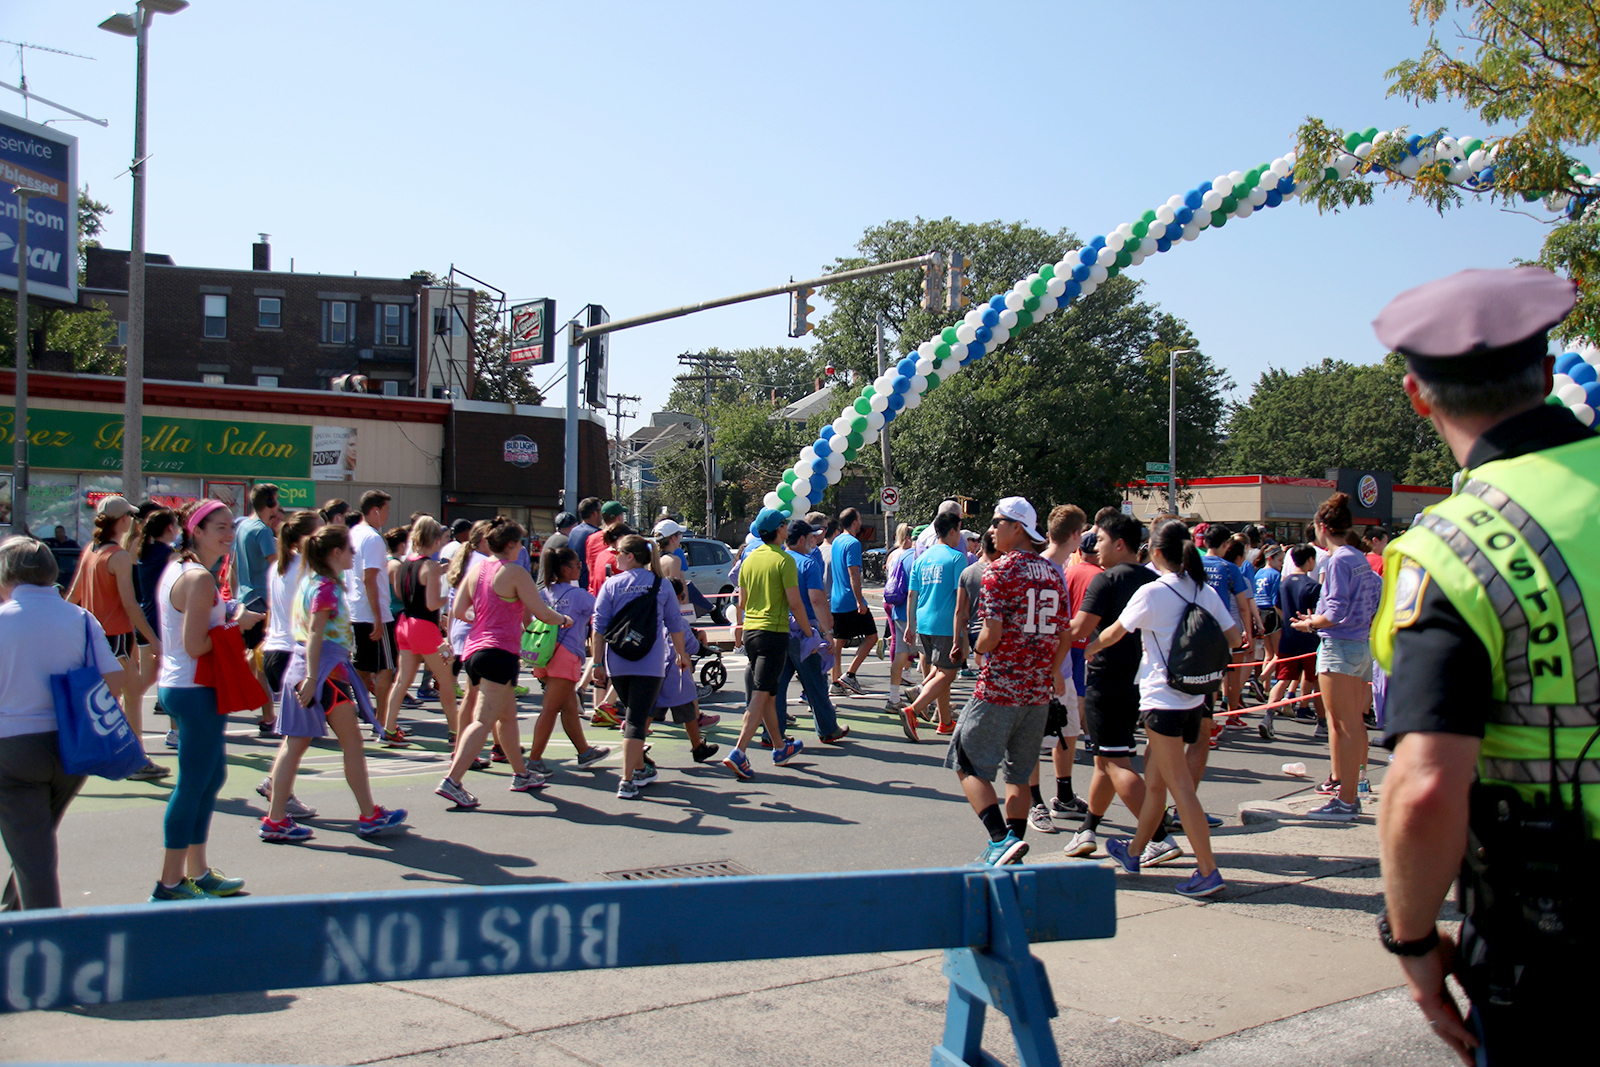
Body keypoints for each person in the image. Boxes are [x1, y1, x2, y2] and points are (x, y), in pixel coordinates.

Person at [1361, 267, 1600, 1064]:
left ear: (1417, 395)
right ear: (1543, 375)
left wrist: (1414, 940)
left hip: (1560, 939)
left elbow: (1427, 782)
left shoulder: (1451, 547)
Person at [1090, 518, 1240, 897]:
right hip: (1194, 697)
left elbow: (1114, 632)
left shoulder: (1153, 592)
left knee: (1180, 788)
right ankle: (1136, 851)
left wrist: (1089, 648)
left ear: (1155, 552)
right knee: (1155, 783)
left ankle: (1208, 870)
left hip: (1162, 700)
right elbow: (1235, 637)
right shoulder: (1202, 589)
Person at [0, 537, 127, 909]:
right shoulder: (81, 618)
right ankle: (12, 912)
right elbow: (115, 681)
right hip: (73, 747)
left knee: (33, 853)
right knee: (34, 846)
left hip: (13, 749)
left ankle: (45, 941)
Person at [262, 522, 408, 842]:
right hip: (324, 674)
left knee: (296, 745)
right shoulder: (326, 587)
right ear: (336, 552)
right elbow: (315, 633)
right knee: (351, 743)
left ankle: (275, 820)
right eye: (350, 550)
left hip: (308, 671)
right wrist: (314, 678)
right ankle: (369, 815)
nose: (354, 554)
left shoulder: (312, 582)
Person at [947, 496, 1069, 866]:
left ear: (1017, 527)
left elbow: (992, 633)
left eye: (998, 522)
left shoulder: (998, 572)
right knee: (1020, 775)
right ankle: (1014, 843)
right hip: (1037, 691)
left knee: (966, 763)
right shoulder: (1052, 573)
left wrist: (977, 646)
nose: (992, 529)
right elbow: (1064, 634)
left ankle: (1000, 839)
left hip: (1000, 685)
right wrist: (1052, 670)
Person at [151, 499, 262, 901]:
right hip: (194, 689)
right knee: (194, 783)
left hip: (189, 687)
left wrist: (229, 610)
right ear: (195, 530)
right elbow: (196, 645)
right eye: (219, 527)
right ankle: (169, 882)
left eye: (231, 526)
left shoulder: (188, 571)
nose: (229, 534)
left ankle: (196, 872)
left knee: (211, 778)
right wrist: (236, 622)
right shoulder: (198, 578)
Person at [1062, 513, 1181, 864]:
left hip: (1107, 680)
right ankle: (1088, 828)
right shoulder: (1154, 580)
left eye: (1099, 540)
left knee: (1116, 763)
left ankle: (1158, 836)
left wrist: (1045, 634)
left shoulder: (1106, 581)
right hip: (1141, 680)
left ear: (1119, 543)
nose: (1093, 546)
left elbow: (1080, 629)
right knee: (1105, 760)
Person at [436, 519, 572, 808]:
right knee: (483, 720)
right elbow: (542, 613)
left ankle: (521, 774)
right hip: (498, 653)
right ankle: (453, 781)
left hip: (475, 652)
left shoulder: (477, 569)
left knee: (507, 718)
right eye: (520, 543)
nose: (522, 548)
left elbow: (458, 610)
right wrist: (564, 620)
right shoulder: (514, 572)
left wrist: (484, 622)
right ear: (510, 545)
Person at [1290, 492, 1382, 821]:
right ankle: (1351, 791)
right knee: (1353, 723)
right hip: (1360, 645)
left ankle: (1345, 800)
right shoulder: (1358, 556)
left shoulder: (1338, 559)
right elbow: (1376, 594)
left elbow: (1335, 610)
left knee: (1340, 725)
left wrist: (1310, 623)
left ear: (1321, 526)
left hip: (1339, 645)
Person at [66, 495, 166, 782]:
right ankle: (135, 761)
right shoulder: (119, 557)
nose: (133, 522)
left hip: (95, 637)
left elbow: (74, 597)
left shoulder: (91, 551)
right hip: (115, 639)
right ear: (122, 520)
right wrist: (153, 640)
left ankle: (130, 756)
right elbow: (130, 604)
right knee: (128, 695)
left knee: (118, 697)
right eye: (130, 517)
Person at [591, 534, 689, 799]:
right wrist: (682, 654)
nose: (616, 557)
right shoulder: (661, 585)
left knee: (631, 716)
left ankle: (639, 767)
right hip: (651, 660)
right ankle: (627, 779)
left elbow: (599, 626)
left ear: (630, 556)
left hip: (618, 660)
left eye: (619, 553)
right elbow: (675, 624)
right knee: (636, 719)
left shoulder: (612, 585)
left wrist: (596, 661)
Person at [724, 508, 814, 779]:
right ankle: (739, 752)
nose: (788, 526)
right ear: (779, 530)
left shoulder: (749, 560)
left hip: (751, 630)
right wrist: (810, 632)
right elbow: (795, 602)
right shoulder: (784, 560)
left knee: (770, 694)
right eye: (785, 523)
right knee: (761, 694)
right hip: (773, 633)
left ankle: (780, 747)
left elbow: (740, 602)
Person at [253, 511, 319, 820]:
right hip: (293, 653)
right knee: (298, 736)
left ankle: (276, 786)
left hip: (276, 651)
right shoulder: (304, 571)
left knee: (298, 735)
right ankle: (279, 797)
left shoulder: (280, 568)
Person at [527, 546, 611, 773]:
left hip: (543, 654)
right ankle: (533, 760)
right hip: (566, 656)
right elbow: (603, 614)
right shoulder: (580, 596)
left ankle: (584, 752)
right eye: (577, 565)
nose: (580, 568)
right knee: (551, 709)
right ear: (566, 569)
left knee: (569, 707)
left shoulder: (544, 592)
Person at [1034, 505, 1092, 829]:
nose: (1083, 537)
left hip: (1064, 668)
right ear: (1074, 534)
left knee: (1068, 733)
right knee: (1034, 739)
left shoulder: (1064, 567)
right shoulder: (1043, 569)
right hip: (1047, 671)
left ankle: (1064, 796)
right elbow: (1046, 629)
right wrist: (1053, 669)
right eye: (1082, 531)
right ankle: (1034, 803)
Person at [387, 517, 459, 746]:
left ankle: (388, 727)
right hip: (425, 626)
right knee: (445, 680)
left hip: (404, 623)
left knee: (402, 680)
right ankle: (455, 731)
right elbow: (432, 604)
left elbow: (400, 593)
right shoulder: (430, 567)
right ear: (435, 539)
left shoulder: (405, 562)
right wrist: (449, 599)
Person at [775, 518, 847, 744]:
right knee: (816, 682)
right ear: (803, 538)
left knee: (777, 685)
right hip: (804, 631)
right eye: (813, 536)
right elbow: (816, 599)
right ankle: (828, 728)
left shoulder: (778, 560)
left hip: (779, 629)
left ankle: (773, 731)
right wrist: (828, 632)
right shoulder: (807, 564)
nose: (816, 540)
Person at [902, 510, 966, 740]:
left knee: (939, 672)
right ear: (952, 531)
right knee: (947, 673)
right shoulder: (956, 558)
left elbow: (912, 594)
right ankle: (914, 710)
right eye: (959, 530)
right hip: (945, 623)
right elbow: (961, 597)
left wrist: (910, 625)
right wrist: (962, 629)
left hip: (924, 622)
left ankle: (945, 721)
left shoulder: (921, 559)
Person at [230, 483, 284, 737]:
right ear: (271, 503)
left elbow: (232, 565)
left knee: (254, 656)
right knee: (263, 660)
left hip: (246, 598)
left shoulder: (242, 526)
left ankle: (255, 702)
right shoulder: (262, 531)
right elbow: (278, 567)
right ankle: (268, 714)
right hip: (262, 600)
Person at [345, 491, 398, 745]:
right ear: (375, 511)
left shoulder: (353, 533)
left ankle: (366, 712)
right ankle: (384, 721)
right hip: (372, 611)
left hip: (354, 610)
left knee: (363, 668)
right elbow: (370, 578)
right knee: (386, 668)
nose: (388, 515)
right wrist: (379, 617)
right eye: (386, 510)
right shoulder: (373, 538)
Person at [1265, 543, 1324, 739]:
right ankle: (1321, 723)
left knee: (1283, 679)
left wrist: (1287, 620)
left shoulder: (1284, 583)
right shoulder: (1313, 586)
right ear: (1309, 560)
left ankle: (1268, 716)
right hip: (1310, 640)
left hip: (1288, 638)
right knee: (1316, 683)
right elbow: (1318, 613)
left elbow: (1277, 606)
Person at [134, 508, 180, 750]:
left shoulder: (144, 551)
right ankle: (175, 731)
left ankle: (119, 713)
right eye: (175, 525)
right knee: (168, 676)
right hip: (160, 622)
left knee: (148, 677)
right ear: (169, 528)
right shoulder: (169, 555)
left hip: (145, 620)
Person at [828, 507, 877, 694]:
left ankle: (835, 683)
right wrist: (859, 601)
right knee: (871, 637)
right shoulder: (853, 543)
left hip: (837, 599)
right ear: (855, 522)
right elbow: (853, 573)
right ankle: (850, 674)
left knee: (838, 642)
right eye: (859, 519)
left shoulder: (837, 541)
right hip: (850, 600)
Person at [882, 523, 920, 713]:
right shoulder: (920, 558)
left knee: (900, 654)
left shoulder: (899, 555)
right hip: (915, 613)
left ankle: (893, 698)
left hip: (897, 608)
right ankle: (925, 700)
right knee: (926, 657)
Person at [584, 500, 628, 588]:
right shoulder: (623, 540)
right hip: (614, 592)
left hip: (594, 591)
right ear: (619, 517)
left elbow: (589, 565)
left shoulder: (591, 538)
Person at [567, 497, 603, 589]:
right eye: (600, 511)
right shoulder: (596, 534)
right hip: (587, 585)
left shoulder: (573, 531)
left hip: (574, 582)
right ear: (595, 513)